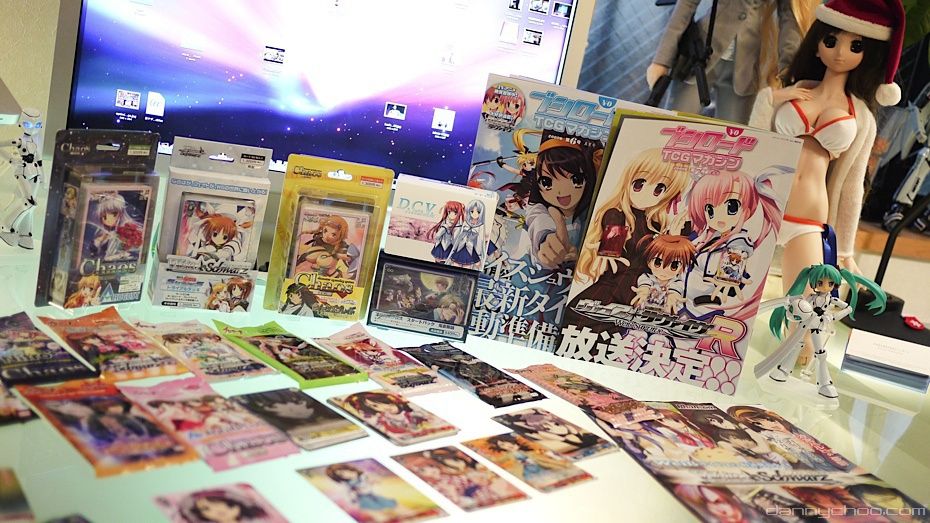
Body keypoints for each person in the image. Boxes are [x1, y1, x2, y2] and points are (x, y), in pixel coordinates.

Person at [749, 0, 905, 362]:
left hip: (809, 217)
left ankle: (795, 375)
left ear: (869, 54)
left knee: (806, 318)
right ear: (817, 44)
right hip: (764, 206)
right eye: (831, 40)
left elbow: (851, 187)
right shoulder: (793, 89)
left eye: (856, 45)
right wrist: (771, 98)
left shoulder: (861, 116)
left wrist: (845, 250)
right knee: (726, 296)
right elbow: (752, 141)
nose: (840, 53)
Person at [647, 0, 810, 124]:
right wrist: (662, 59)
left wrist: (788, 67)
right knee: (674, 124)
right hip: (701, 55)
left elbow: (789, 18)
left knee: (733, 137)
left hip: (745, 63)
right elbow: (686, 4)